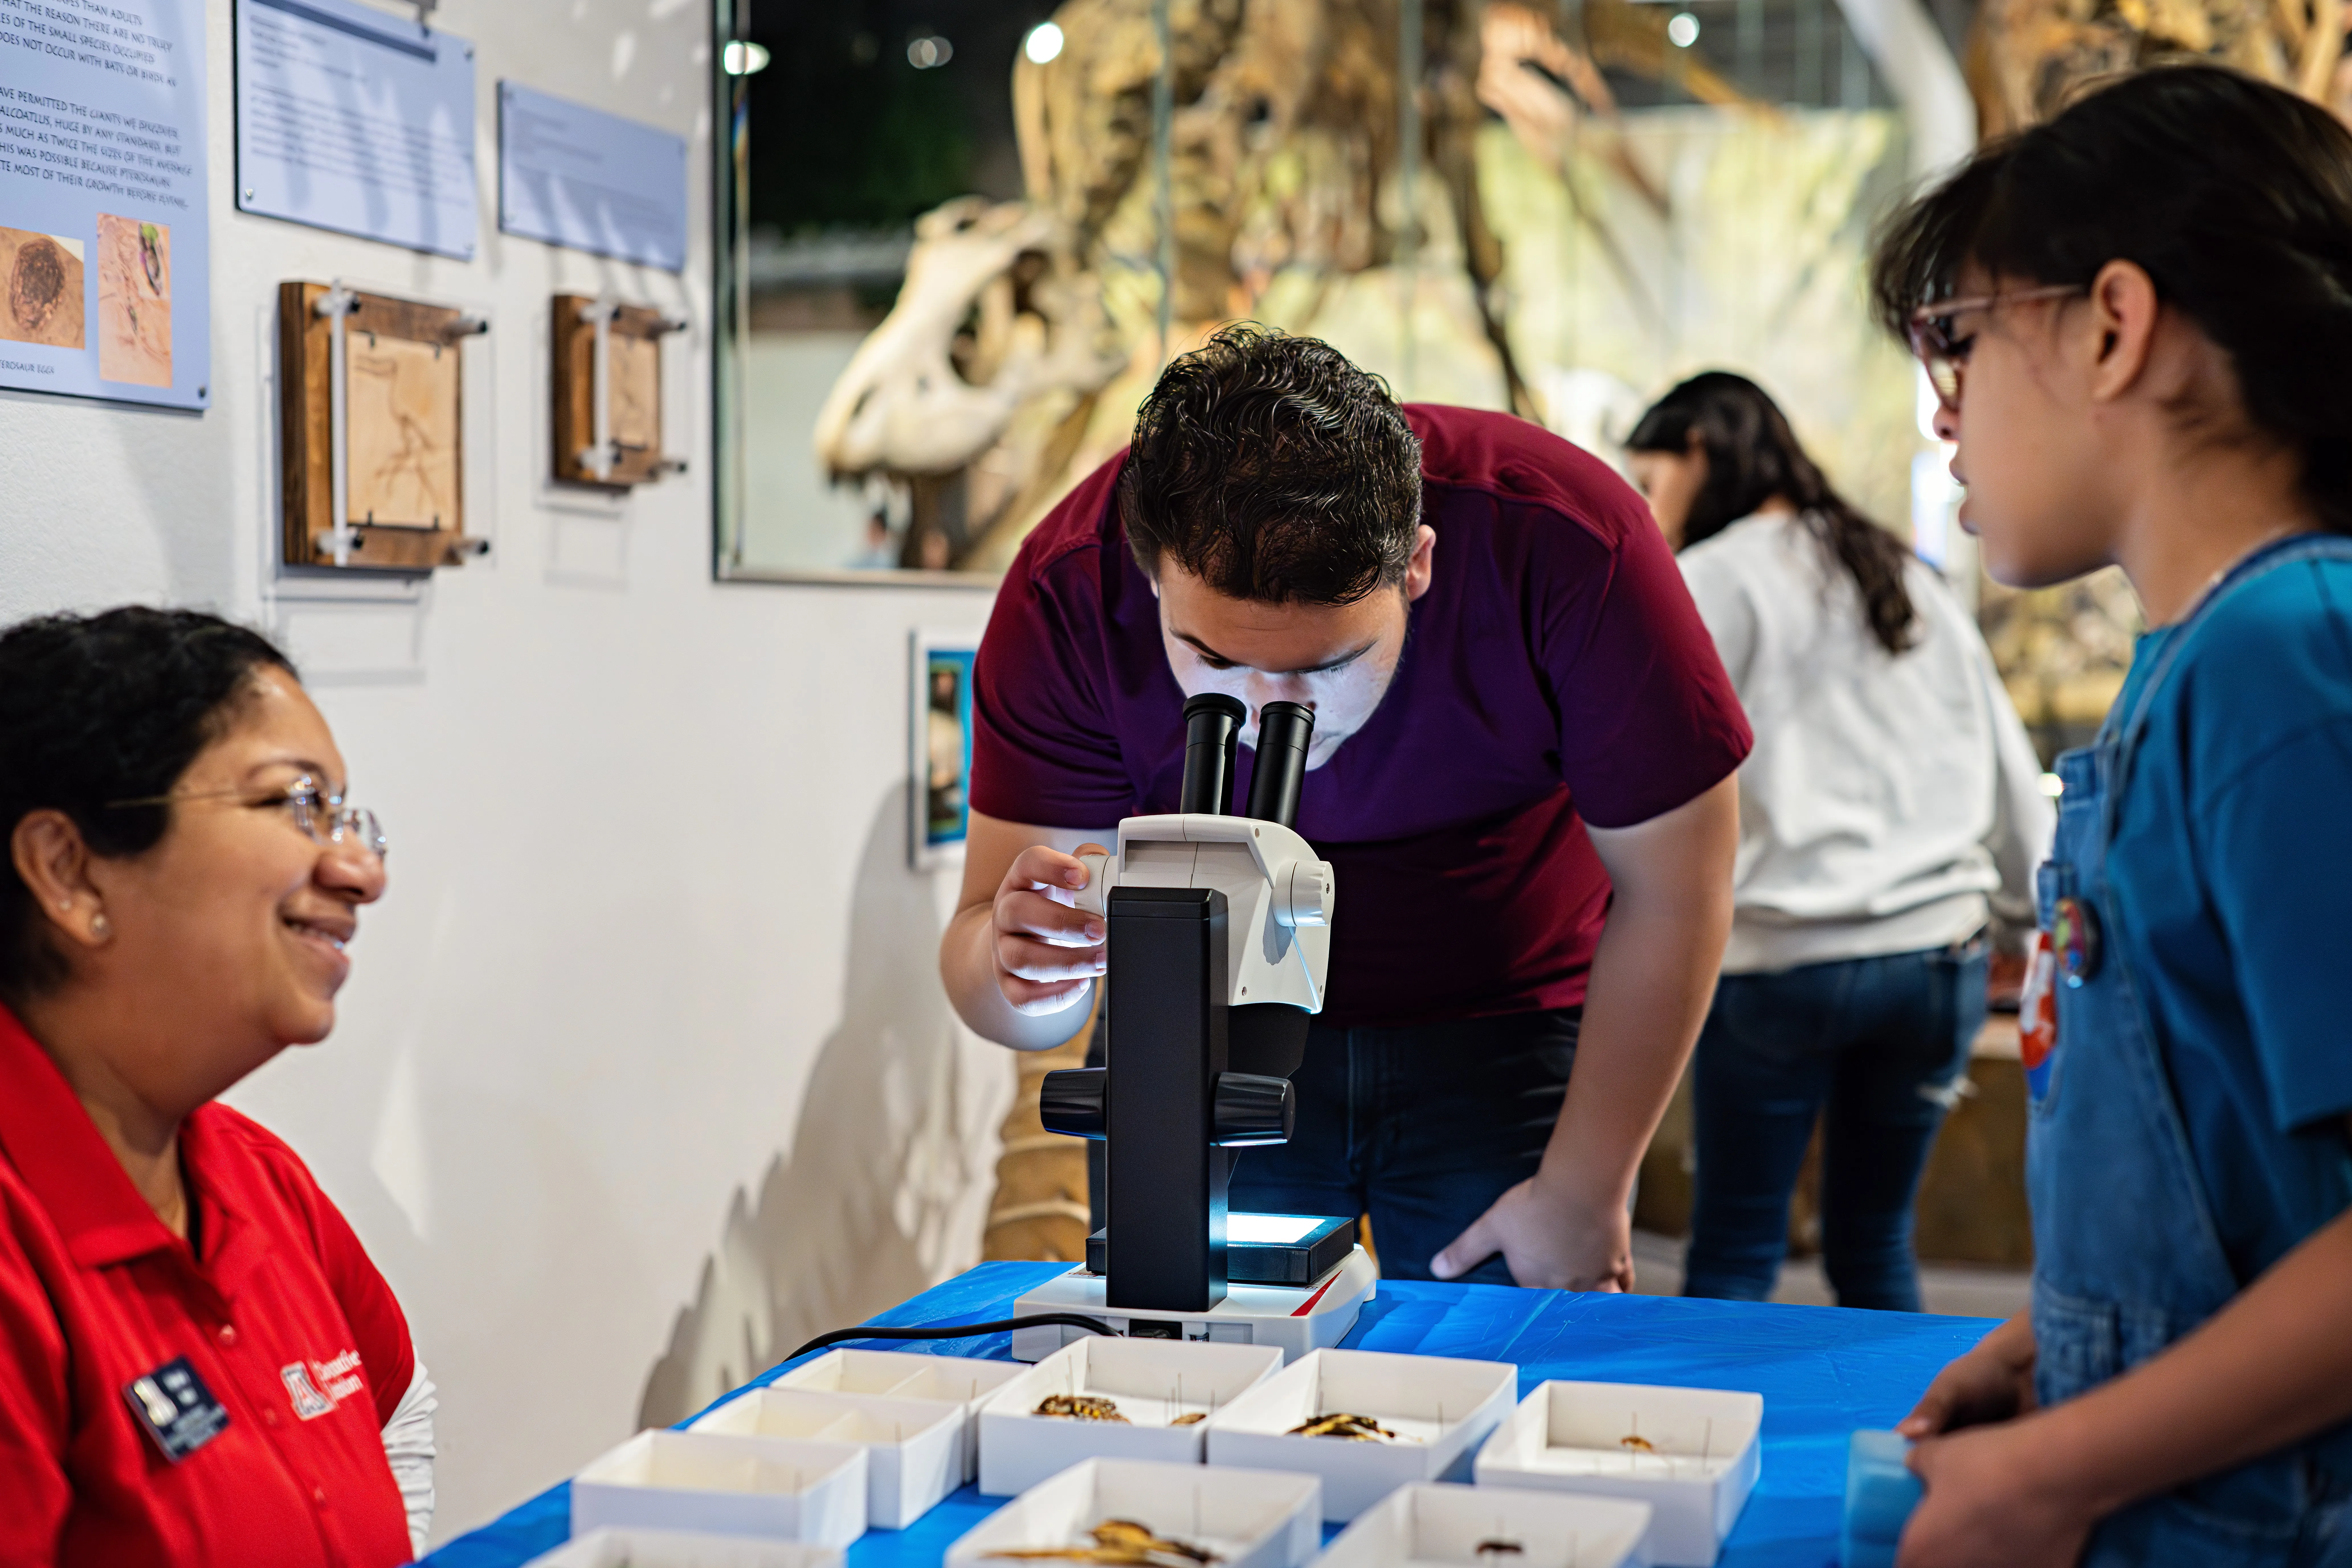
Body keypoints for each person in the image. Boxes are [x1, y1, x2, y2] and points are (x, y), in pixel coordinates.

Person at [941, 324, 1750, 1289]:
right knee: (1193, 1376)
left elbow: (1678, 890)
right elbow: (988, 967)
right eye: (1216, 661)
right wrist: (1025, 969)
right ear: (1150, 574)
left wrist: (1584, 1193)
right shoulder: (1067, 589)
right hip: (1202, 1016)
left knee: (1508, 1367)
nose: (1272, 713)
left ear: (1417, 564)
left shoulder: (1568, 545)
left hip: (1504, 1013)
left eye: (1327, 666)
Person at [1868, 66, 2352, 1566]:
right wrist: (2077, 1343)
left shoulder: (2285, 660)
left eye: (1957, 338)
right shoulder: (2206, 659)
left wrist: (2059, 1470)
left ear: (2114, 326)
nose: (1942, 413)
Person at [0, 608, 434, 1566]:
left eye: (350, 816)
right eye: (298, 805)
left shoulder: (254, 1178)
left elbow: (397, 1412)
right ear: (68, 873)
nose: (360, 871)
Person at [1622, 372, 2052, 1311]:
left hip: (1783, 963)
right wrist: (2029, 919)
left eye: (1651, 483)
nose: (1650, 515)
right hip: (1935, 959)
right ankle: (1905, 1451)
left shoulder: (1708, 579)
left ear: (1701, 450)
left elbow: (1649, 775)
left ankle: (1699, 1448)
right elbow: (2010, 775)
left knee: (1736, 1249)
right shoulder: (1904, 570)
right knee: (1876, 1246)